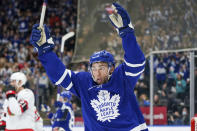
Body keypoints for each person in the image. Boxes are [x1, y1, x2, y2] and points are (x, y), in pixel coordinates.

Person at [30, 3, 148, 131]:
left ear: (111, 69)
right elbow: (59, 75)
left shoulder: (122, 77)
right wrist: (45, 51)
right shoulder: (83, 82)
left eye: (102, 68)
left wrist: (127, 33)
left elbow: (136, 61)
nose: (97, 73)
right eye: (94, 68)